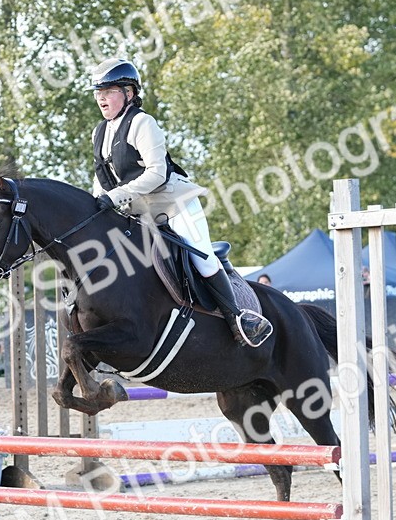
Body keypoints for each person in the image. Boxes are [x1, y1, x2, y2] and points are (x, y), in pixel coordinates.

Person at [87, 57, 273, 347]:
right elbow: (102, 177)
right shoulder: (100, 131)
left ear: (129, 93)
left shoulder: (142, 123)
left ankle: (239, 319)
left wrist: (115, 197)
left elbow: (157, 173)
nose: (101, 98)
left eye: (109, 90)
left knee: (202, 256)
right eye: (98, 92)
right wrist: (96, 201)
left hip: (173, 204)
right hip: (137, 213)